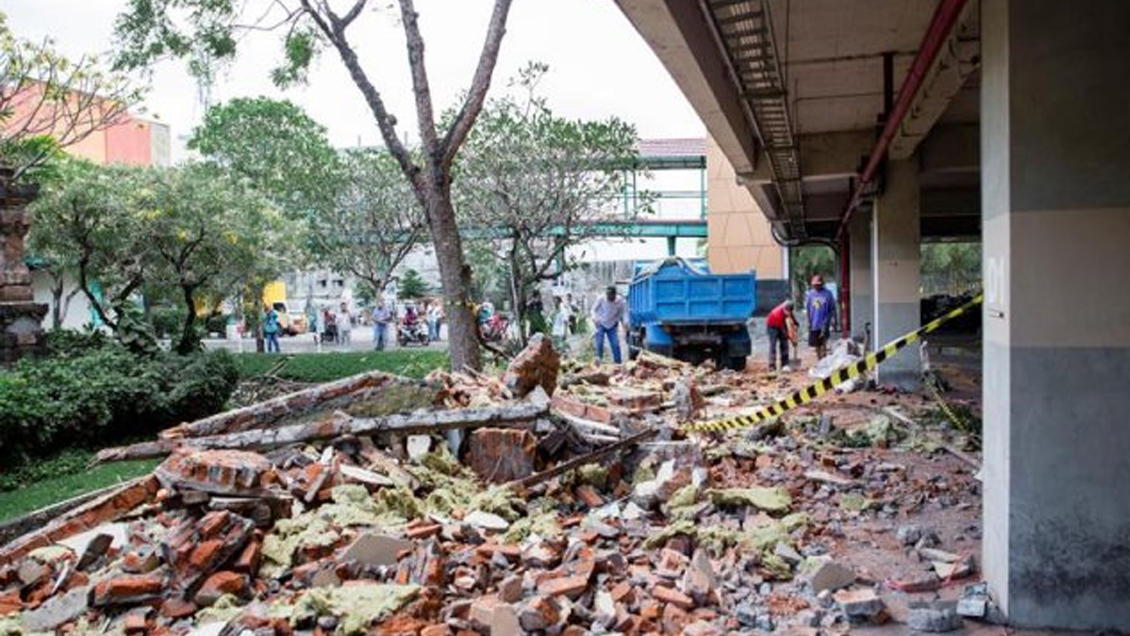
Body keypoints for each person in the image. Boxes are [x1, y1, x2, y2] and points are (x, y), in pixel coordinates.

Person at [591, 285, 627, 364]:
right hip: (601, 324)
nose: (609, 298)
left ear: (614, 295)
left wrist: (624, 323)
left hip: (612, 325)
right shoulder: (601, 298)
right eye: (607, 296)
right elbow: (593, 310)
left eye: (611, 296)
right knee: (599, 343)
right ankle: (598, 362)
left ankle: (618, 363)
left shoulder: (620, 301)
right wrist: (594, 318)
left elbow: (623, 313)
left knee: (615, 344)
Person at [805, 275, 838, 359]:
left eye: (818, 284)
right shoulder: (810, 294)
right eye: (815, 285)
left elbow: (832, 308)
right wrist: (809, 321)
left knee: (824, 340)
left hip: (825, 322)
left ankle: (824, 357)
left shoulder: (828, 293)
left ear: (822, 284)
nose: (816, 286)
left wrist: (834, 321)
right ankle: (819, 358)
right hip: (814, 322)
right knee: (816, 343)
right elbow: (808, 309)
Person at [766, 299, 796, 371]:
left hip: (781, 324)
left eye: (790, 311)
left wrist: (796, 323)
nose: (788, 313)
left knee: (784, 344)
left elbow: (791, 316)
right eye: (787, 311)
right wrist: (791, 339)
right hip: (772, 326)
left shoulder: (789, 309)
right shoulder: (777, 313)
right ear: (784, 309)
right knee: (773, 345)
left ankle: (785, 364)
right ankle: (772, 365)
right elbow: (783, 330)